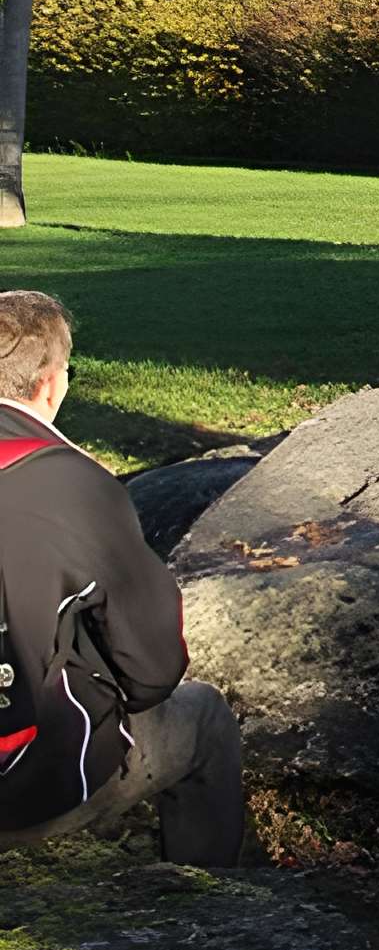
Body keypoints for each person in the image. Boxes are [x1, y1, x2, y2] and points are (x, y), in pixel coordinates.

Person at [0, 289, 247, 866]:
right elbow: (153, 671)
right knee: (205, 719)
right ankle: (216, 920)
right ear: (51, 384)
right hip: (21, 787)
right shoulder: (71, 486)